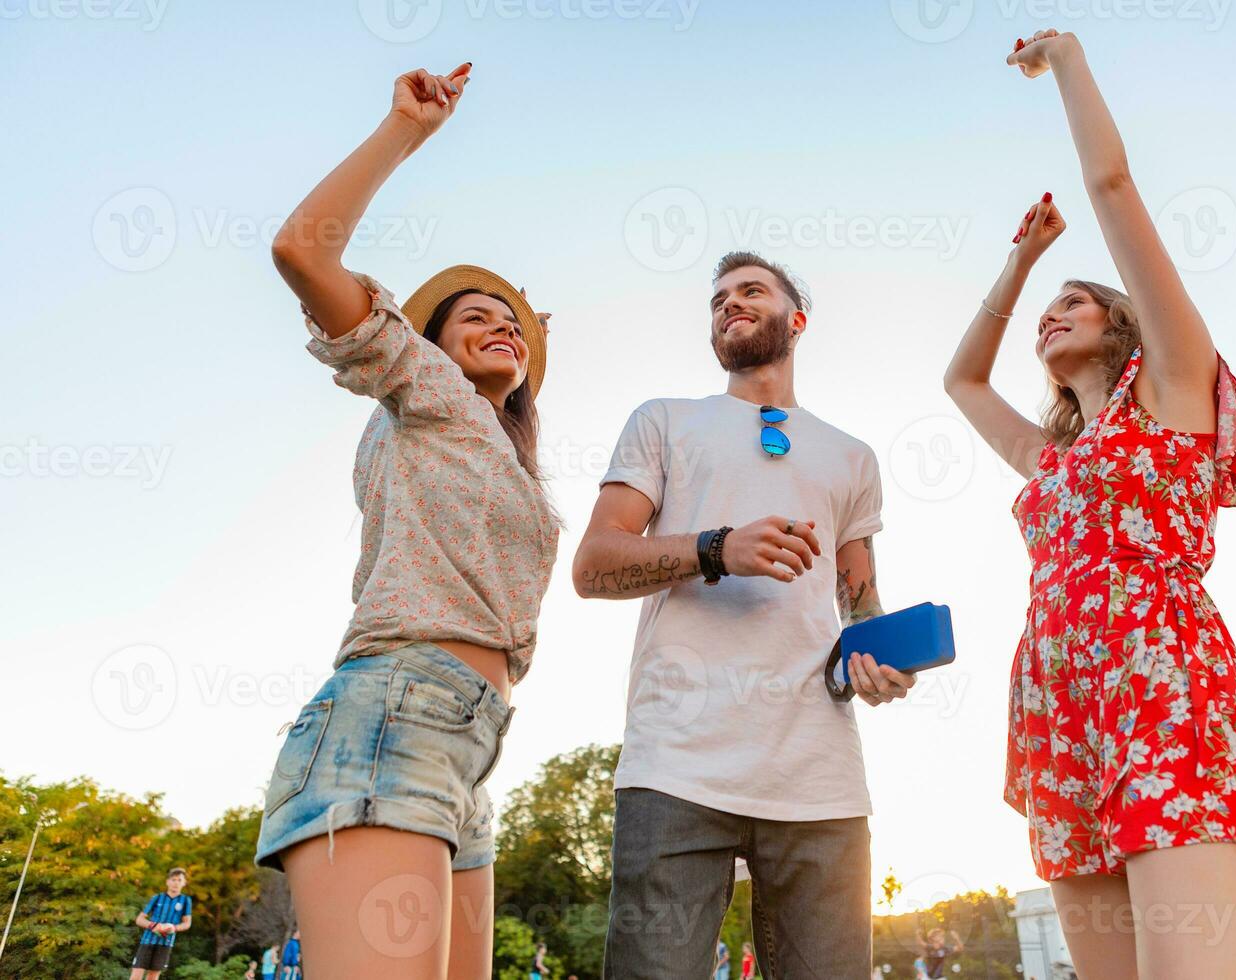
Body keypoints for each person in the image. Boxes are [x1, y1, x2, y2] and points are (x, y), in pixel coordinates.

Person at [944, 28, 1236, 979]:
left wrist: (1064, 60)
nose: (1051, 315)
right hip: (1062, 716)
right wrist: (1020, 265)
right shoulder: (1057, 460)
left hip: (1167, 689)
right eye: (1044, 310)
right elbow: (963, 383)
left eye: (1076, 300)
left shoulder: (1176, 385)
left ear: (1121, 321)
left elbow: (1112, 188)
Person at [251, 62, 559, 980]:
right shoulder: (428, 392)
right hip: (396, 715)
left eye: (514, 322)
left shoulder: (498, 449)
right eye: (475, 315)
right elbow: (304, 252)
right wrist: (406, 131)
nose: (501, 325)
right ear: (426, 341)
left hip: (470, 745)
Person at [576, 250, 915, 976]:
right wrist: (716, 549)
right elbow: (594, 565)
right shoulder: (665, 420)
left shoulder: (851, 457)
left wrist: (883, 659)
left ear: (796, 319)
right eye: (718, 298)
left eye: (750, 291)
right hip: (677, 763)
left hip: (819, 773)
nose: (729, 303)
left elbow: (860, 604)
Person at [129, 867, 192, 980]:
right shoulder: (157, 898)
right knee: (136, 976)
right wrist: (153, 926)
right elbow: (139, 919)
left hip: (166, 943)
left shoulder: (185, 900)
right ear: (167, 881)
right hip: (147, 941)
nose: (176, 883)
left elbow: (187, 923)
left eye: (179, 880)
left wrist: (174, 927)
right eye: (173, 879)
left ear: (184, 883)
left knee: (153, 977)